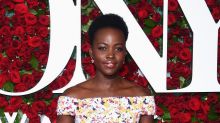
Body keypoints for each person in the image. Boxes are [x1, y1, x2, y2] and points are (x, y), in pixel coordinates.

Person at [56, 14, 156, 123]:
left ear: (124, 54)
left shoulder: (142, 97)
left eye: (118, 49)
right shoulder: (71, 98)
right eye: (103, 48)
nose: (110, 55)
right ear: (92, 53)